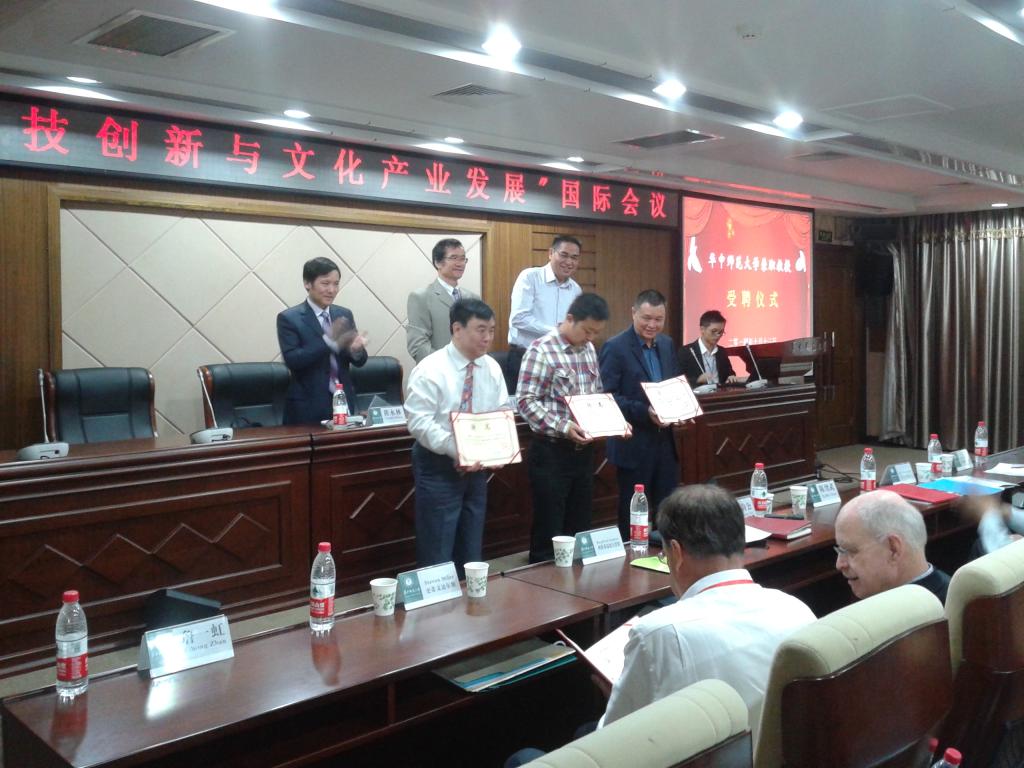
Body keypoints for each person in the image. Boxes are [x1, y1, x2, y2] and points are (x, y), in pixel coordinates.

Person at [505, 485, 815, 766]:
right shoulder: (795, 609)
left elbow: (613, 745)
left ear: (675, 553)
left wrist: (621, 693)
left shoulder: (659, 631)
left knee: (524, 758)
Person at [404, 299, 509, 576]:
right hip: (438, 464)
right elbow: (419, 422)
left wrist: (500, 449)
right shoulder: (431, 368)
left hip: (478, 468)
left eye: (492, 330)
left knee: (470, 547)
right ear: (457, 329)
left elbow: (501, 412)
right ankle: (436, 602)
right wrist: (457, 449)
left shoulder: (491, 367)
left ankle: (468, 599)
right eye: (481, 330)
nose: (488, 338)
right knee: (437, 548)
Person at [517, 292, 608, 563]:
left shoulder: (588, 349)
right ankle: (544, 586)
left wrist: (609, 419)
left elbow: (596, 393)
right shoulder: (541, 350)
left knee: (579, 526)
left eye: (596, 333)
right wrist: (563, 426)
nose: (591, 337)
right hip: (552, 451)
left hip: (584, 452)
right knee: (550, 528)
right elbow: (525, 401)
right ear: (570, 319)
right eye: (587, 330)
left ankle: (578, 584)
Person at [598, 289, 681, 540]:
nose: (652, 325)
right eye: (646, 318)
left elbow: (673, 385)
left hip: (665, 441)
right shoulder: (615, 347)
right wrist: (645, 412)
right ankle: (632, 556)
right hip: (633, 443)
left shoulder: (666, 344)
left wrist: (681, 407)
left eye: (658, 319)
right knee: (634, 512)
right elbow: (608, 396)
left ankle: (667, 554)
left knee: (668, 508)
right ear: (633, 313)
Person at [277, 256, 367, 425]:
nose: (332, 290)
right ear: (307, 283)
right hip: (306, 408)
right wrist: (328, 341)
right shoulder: (289, 318)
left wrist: (356, 350)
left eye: (336, 284)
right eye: (325, 283)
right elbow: (293, 360)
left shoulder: (343, 314)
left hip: (342, 402)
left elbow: (359, 361)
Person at [834, 489, 951, 603]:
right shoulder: (949, 594)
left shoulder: (908, 615)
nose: (839, 565)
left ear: (893, 549)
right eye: (840, 550)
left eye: (850, 551)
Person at [505, 234, 583, 390]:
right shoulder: (530, 277)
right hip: (525, 356)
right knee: (523, 404)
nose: (569, 262)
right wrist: (557, 332)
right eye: (564, 255)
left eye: (574, 258)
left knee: (554, 404)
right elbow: (519, 319)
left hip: (560, 362)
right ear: (551, 253)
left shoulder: (576, 289)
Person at [405, 238, 478, 364]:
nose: (460, 263)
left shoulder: (474, 299)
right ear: (438, 262)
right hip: (437, 371)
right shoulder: (421, 297)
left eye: (463, 259)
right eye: (454, 258)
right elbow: (417, 345)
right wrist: (449, 365)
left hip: (470, 370)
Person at [679, 309, 738, 387]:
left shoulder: (721, 351)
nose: (718, 335)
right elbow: (679, 380)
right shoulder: (686, 352)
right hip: (699, 393)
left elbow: (730, 373)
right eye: (714, 331)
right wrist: (697, 380)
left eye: (721, 332)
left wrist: (731, 376)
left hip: (720, 393)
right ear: (702, 329)